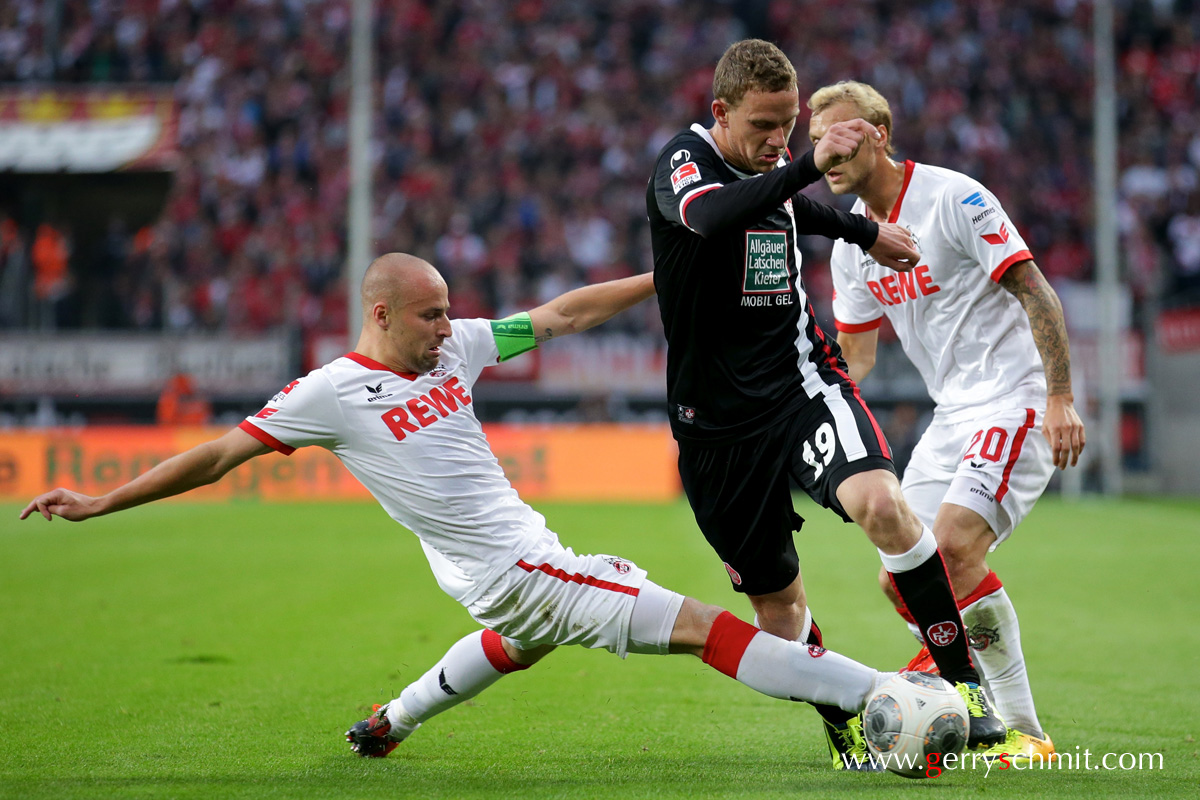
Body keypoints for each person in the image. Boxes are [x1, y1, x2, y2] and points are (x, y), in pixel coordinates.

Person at [21, 253, 897, 763]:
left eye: (449, 314)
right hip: (519, 570)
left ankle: (391, 722)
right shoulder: (328, 394)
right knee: (708, 628)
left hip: (494, 572)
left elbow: (555, 317)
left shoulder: (456, 353)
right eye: (432, 316)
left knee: (517, 642)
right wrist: (102, 501)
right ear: (381, 314)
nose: (450, 327)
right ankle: (890, 697)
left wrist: (666, 276)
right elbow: (217, 455)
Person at [646, 38, 1007, 769]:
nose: (779, 144)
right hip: (713, 428)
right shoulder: (682, 167)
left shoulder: (771, 158)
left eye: (788, 129)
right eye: (762, 127)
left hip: (800, 386)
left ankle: (966, 686)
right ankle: (844, 720)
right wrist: (815, 170)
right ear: (719, 113)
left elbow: (795, 204)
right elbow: (717, 217)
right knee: (779, 612)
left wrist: (864, 231)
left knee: (881, 502)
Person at [807, 80, 1087, 763]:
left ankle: (1013, 724)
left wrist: (1058, 397)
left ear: (877, 133)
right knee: (904, 573)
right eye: (815, 144)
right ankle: (961, 689)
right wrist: (807, 407)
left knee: (954, 552)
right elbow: (858, 357)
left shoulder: (954, 198)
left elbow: (1034, 290)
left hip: (1014, 399)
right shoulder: (852, 245)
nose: (824, 156)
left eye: (839, 138)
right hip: (952, 415)